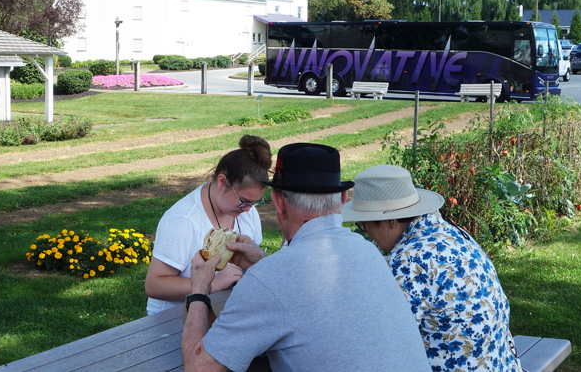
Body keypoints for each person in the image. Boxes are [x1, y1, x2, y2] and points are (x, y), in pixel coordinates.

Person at [182, 144, 431, 372]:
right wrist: (264, 264)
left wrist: (199, 292)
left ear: (278, 202)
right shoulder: (367, 251)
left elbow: (199, 367)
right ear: (343, 199)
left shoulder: (269, 279)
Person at [342, 165, 522, 372]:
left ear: (390, 221)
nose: (367, 234)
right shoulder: (449, 232)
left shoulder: (410, 261)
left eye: (364, 225)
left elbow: (380, 338)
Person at [144, 134, 271, 315]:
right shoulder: (183, 220)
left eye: (254, 203)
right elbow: (154, 285)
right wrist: (211, 284)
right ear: (221, 182)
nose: (248, 210)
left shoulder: (245, 213)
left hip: (223, 311)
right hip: (174, 319)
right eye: (243, 201)